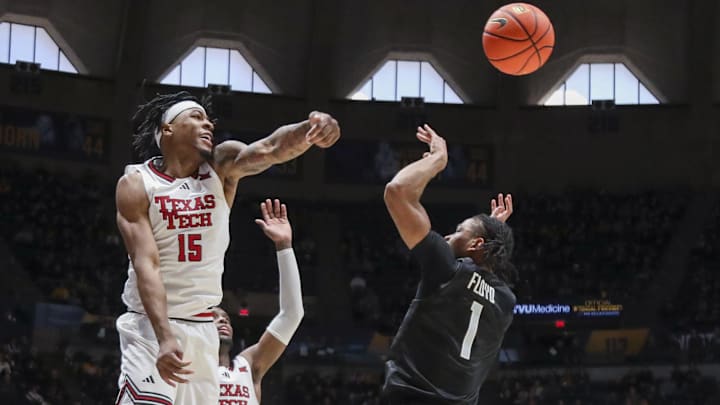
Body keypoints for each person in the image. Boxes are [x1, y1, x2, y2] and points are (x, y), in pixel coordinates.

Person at [114, 91, 339, 404]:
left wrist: (311, 129)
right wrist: (164, 336)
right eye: (196, 118)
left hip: (202, 328)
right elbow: (145, 264)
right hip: (151, 325)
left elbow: (272, 148)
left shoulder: (220, 167)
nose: (207, 125)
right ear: (167, 129)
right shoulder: (137, 183)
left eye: (209, 121)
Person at [381, 124, 516, 405]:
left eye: (457, 230)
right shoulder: (505, 302)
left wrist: (438, 159)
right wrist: (490, 233)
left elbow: (397, 192)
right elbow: (483, 279)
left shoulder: (447, 269)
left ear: (476, 245)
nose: (447, 236)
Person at [214, 198, 303, 405]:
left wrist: (284, 245)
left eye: (225, 317)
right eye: (212, 317)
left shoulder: (248, 366)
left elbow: (292, 315)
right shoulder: (189, 369)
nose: (222, 321)